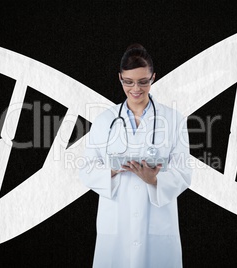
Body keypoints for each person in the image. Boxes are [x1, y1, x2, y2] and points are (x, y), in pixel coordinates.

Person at [79, 44, 192, 268]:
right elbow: (86, 168)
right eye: (128, 82)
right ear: (120, 78)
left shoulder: (174, 120)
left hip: (157, 225)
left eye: (143, 81)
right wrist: (113, 169)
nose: (136, 89)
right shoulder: (104, 121)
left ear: (153, 78)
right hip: (117, 224)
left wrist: (154, 180)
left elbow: (184, 172)